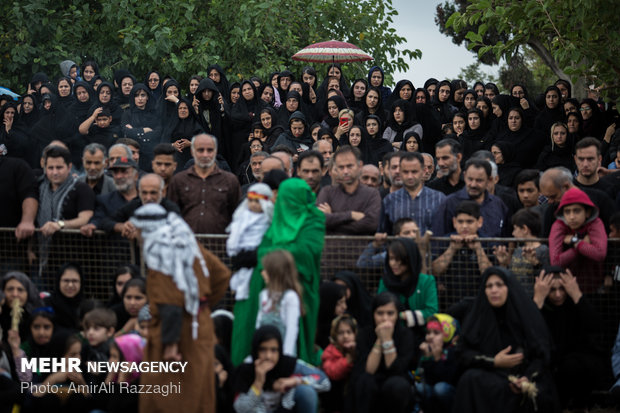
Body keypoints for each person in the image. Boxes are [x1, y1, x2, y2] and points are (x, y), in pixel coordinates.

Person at [130, 203, 231, 413]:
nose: (137, 235)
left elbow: (170, 303)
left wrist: (170, 345)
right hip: (199, 326)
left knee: (170, 398)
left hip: (176, 335)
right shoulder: (189, 245)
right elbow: (221, 275)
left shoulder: (161, 251)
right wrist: (199, 307)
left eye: (139, 230)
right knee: (199, 392)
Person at [231, 178, 325, 366]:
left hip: (300, 288)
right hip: (266, 287)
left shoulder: (314, 219)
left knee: (294, 335)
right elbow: (266, 245)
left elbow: (306, 252)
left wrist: (263, 255)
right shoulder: (277, 217)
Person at [453, 267, 558, 412]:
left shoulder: (525, 315)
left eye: (499, 285)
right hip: (492, 374)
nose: (494, 290)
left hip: (523, 377)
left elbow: (542, 355)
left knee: (541, 392)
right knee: (469, 379)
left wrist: (526, 378)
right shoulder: (478, 316)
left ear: (509, 287)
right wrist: (494, 362)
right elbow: (463, 353)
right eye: (489, 286)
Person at [533, 268, 609, 410]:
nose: (558, 295)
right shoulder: (540, 305)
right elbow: (527, 331)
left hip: (574, 364)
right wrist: (537, 300)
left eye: (562, 289)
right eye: (552, 290)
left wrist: (576, 295)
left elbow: (596, 326)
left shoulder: (574, 302)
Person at [233, 325, 331, 413]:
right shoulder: (246, 370)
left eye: (273, 350)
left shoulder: (288, 364)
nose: (268, 356)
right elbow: (240, 409)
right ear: (255, 350)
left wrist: (294, 381)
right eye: (263, 350)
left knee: (306, 392)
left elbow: (325, 382)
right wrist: (258, 382)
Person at [351, 292, 416, 413]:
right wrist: (380, 339)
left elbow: (396, 369)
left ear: (397, 315)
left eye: (390, 313)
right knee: (365, 382)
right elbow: (369, 370)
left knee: (397, 385)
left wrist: (387, 340)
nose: (385, 318)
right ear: (373, 314)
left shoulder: (406, 335)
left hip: (395, 380)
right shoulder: (364, 334)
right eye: (380, 313)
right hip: (371, 380)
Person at [167, 134, 240, 234]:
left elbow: (237, 216)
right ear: (192, 152)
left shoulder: (230, 181)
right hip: (187, 244)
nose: (205, 155)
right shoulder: (179, 181)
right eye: (200, 150)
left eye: (209, 150)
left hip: (220, 245)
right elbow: (172, 216)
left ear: (215, 152)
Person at [431, 201, 493, 308]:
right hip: (449, 301)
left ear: (479, 222)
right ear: (454, 222)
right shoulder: (445, 240)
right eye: (460, 222)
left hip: (480, 301)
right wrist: (452, 249)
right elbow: (435, 271)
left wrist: (478, 249)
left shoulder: (487, 242)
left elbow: (489, 275)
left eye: (469, 222)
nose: (464, 226)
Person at [549, 187, 607, 292]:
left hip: (593, 287)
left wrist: (575, 242)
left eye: (576, 211)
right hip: (564, 289)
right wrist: (580, 245)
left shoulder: (595, 223)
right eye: (567, 212)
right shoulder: (558, 226)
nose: (571, 217)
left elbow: (600, 254)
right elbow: (555, 262)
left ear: (588, 212)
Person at [432, 158, 509, 237]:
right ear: (464, 176)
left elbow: (506, 237)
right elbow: (438, 239)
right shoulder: (449, 203)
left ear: (489, 180)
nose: (473, 184)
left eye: (479, 180)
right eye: (470, 179)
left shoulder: (497, 204)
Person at [316, 145, 381, 235]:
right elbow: (319, 220)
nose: (345, 171)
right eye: (341, 167)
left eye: (349, 166)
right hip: (331, 248)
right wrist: (351, 215)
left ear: (360, 166)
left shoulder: (372, 194)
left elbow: (372, 224)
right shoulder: (327, 192)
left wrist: (332, 222)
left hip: (361, 248)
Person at [378, 152, 445, 235]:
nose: (410, 176)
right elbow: (383, 234)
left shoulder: (439, 199)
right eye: (406, 172)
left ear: (423, 171)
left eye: (414, 172)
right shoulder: (389, 200)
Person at [378, 238, 438, 330]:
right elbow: (380, 310)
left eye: (398, 259)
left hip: (421, 335)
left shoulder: (427, 281)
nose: (393, 263)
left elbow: (431, 312)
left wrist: (402, 315)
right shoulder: (385, 282)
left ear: (410, 259)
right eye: (391, 258)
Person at [226, 183, 273, 301]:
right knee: (241, 276)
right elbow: (236, 233)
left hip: (259, 253)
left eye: (257, 201)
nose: (253, 204)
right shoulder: (242, 216)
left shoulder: (267, 218)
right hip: (243, 251)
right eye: (251, 201)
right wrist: (233, 249)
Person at [256, 250, 302, 357]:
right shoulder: (263, 295)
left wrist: (286, 358)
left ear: (275, 272)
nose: (262, 273)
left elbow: (291, 331)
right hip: (264, 354)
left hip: (281, 355)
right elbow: (258, 326)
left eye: (265, 270)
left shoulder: (290, 297)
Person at [493, 208, 550, 295]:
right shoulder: (518, 250)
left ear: (524, 229)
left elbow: (546, 276)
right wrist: (504, 264)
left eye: (515, 229)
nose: (513, 233)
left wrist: (536, 263)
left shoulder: (543, 250)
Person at [414, 313, 459, 413]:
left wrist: (438, 358)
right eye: (428, 332)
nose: (430, 337)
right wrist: (427, 358)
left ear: (447, 333)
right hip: (434, 392)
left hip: (450, 392)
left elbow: (448, 379)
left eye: (436, 333)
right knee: (421, 387)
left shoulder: (453, 351)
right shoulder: (427, 349)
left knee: (440, 388)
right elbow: (426, 379)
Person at [320, 314, 358, 413]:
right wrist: (348, 360)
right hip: (336, 394)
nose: (345, 336)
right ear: (335, 335)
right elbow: (332, 372)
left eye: (349, 332)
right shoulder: (330, 351)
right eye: (341, 333)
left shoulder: (359, 348)